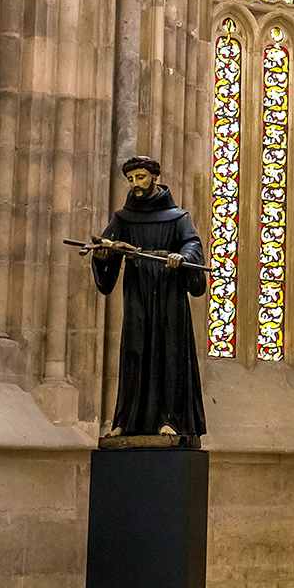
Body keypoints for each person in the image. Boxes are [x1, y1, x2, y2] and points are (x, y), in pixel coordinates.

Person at [93, 156, 208, 440]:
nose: (135, 184)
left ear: (154, 177)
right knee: (134, 352)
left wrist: (181, 257)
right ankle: (127, 421)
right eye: (131, 179)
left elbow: (192, 245)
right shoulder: (123, 217)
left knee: (169, 354)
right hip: (138, 294)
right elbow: (107, 249)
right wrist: (102, 256)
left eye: (141, 177)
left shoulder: (178, 217)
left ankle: (169, 419)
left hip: (169, 294)